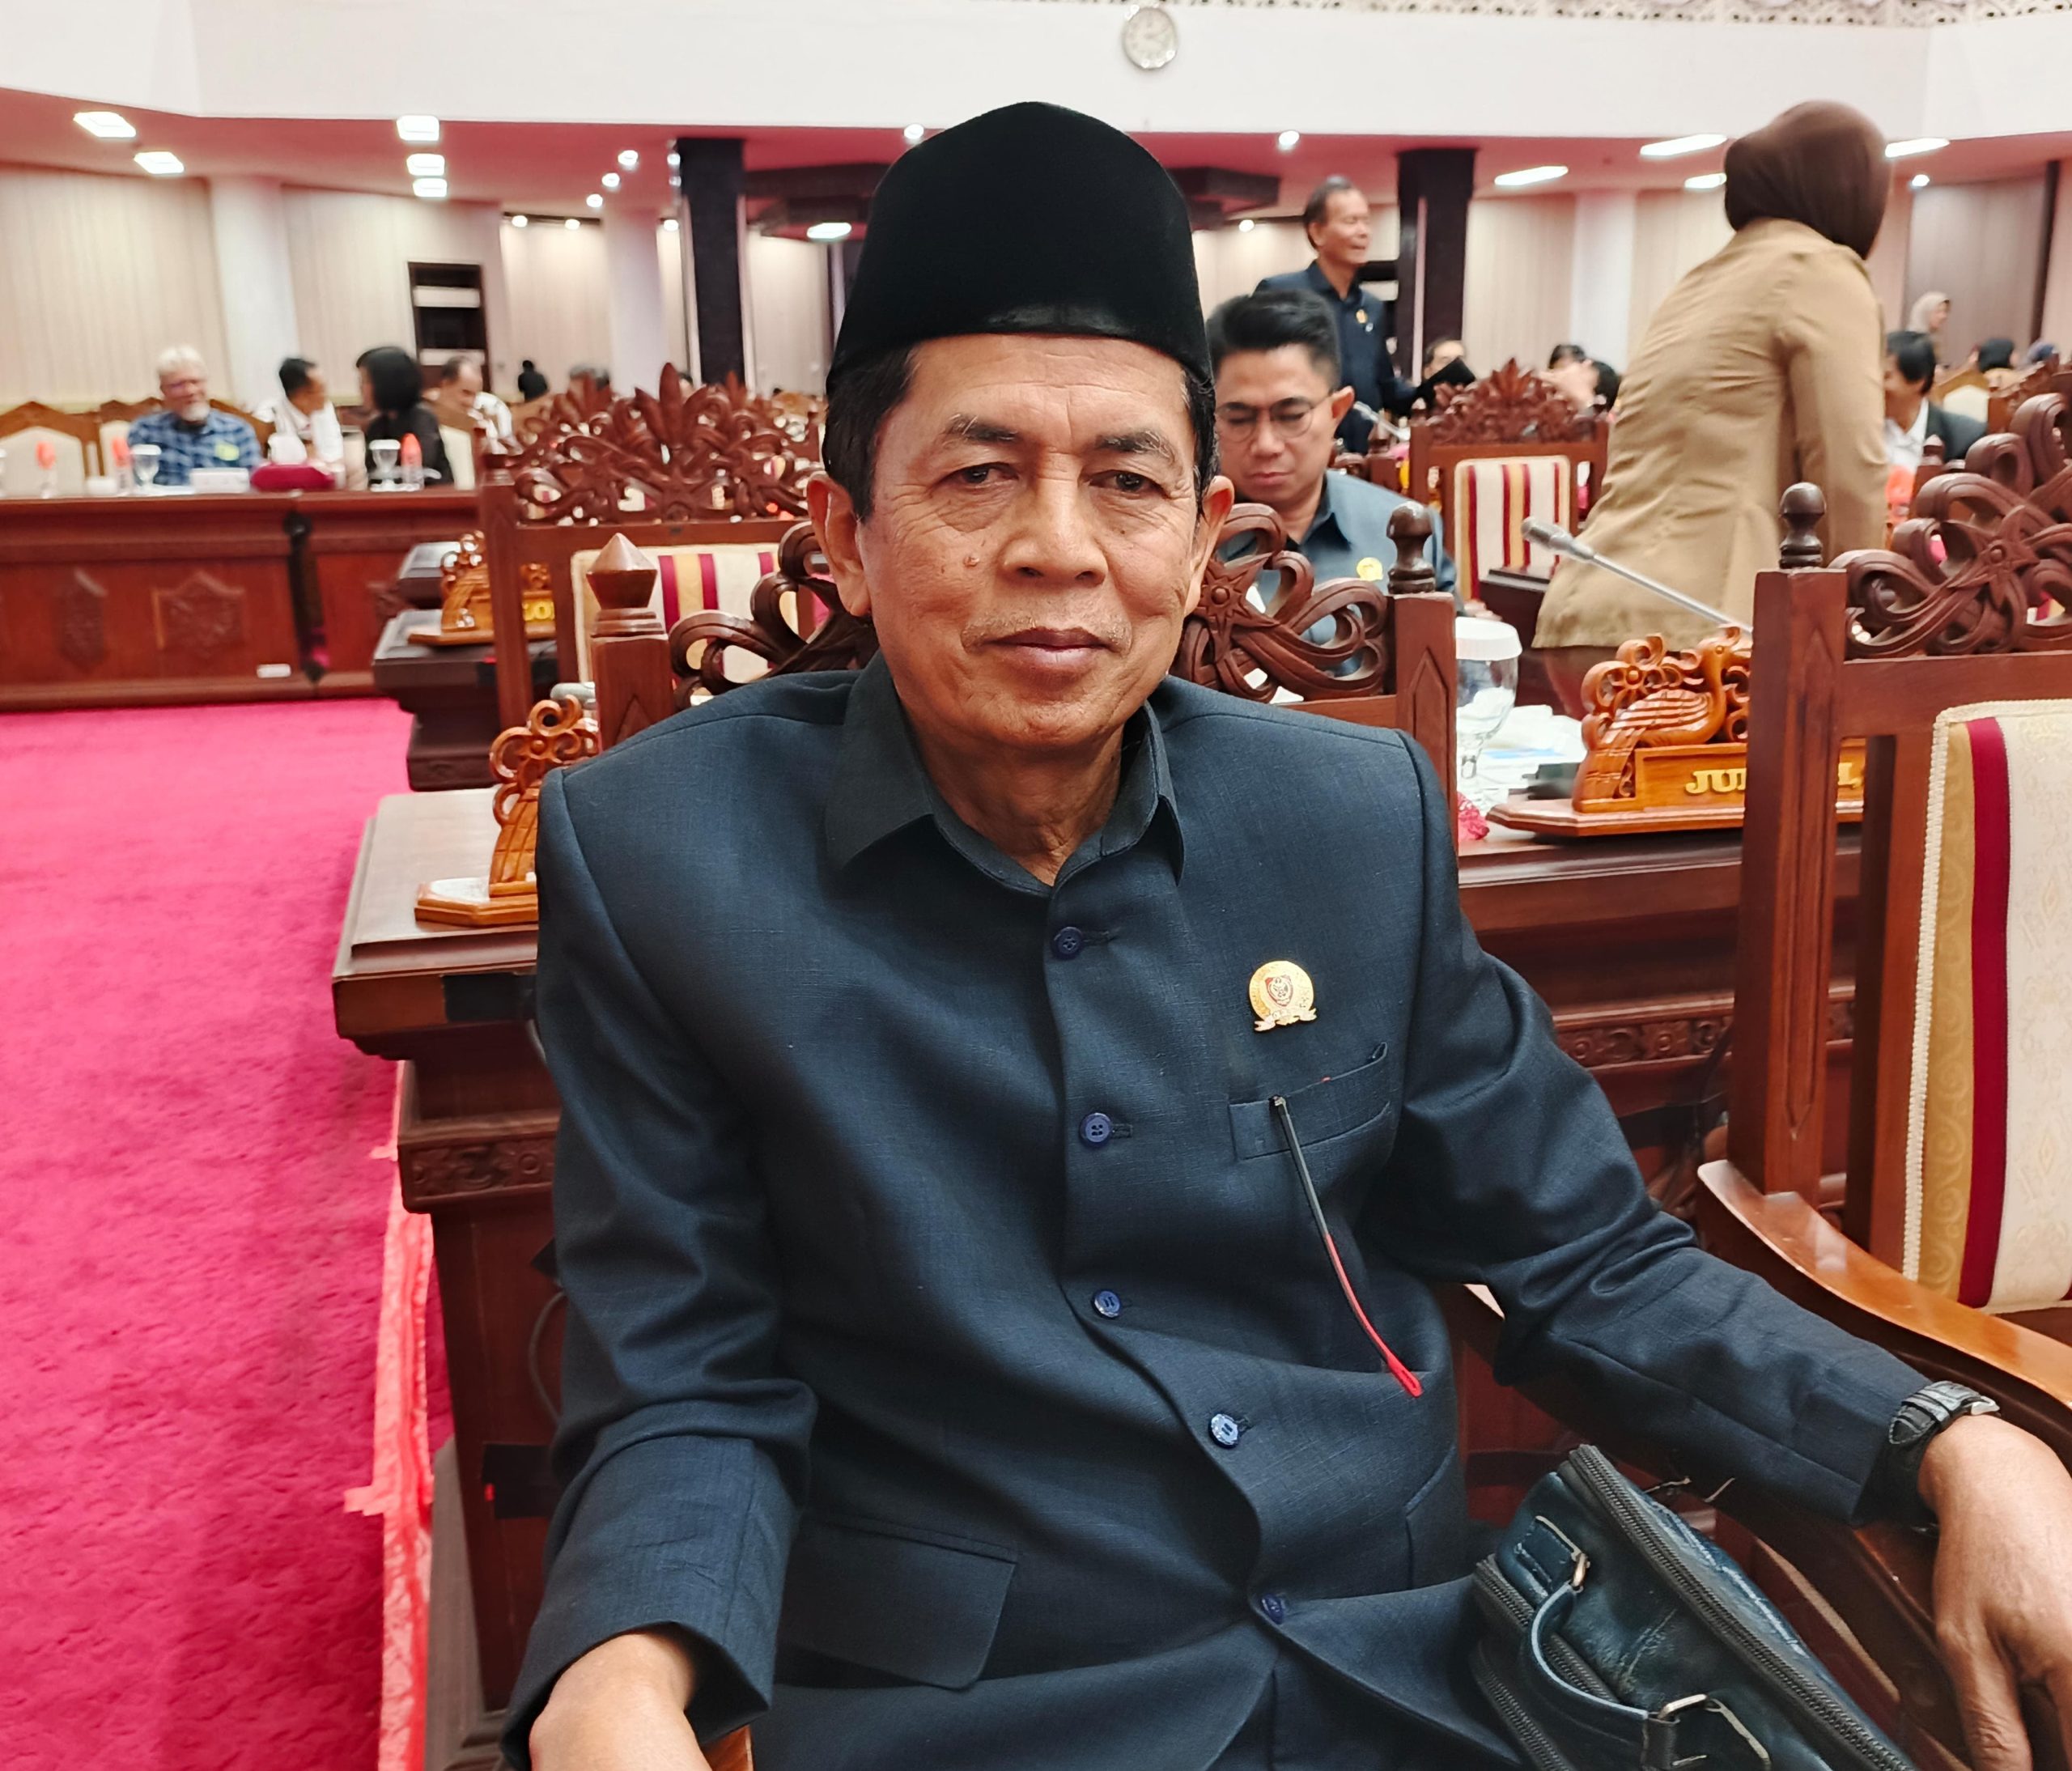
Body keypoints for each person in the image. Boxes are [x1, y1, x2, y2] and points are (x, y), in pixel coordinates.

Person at [512, 101, 2072, 1771]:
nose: (1058, 547)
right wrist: (621, 1668)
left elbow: (1582, 1258)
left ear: (1198, 538)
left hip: (1402, 1674)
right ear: (847, 529)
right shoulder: (664, 860)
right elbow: (683, 1376)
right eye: (977, 474)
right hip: (980, 1708)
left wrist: (1947, 1438)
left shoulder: (1345, 819)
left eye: (1126, 482)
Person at [1534, 102, 1891, 713]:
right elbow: (1848, 471)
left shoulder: (1699, 280)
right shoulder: (1822, 269)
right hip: (1700, 633)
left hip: (1586, 611)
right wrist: (1866, 622)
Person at [1208, 288, 1455, 606]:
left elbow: (1452, 637)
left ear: (1336, 411)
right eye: (1239, 419)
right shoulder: (1184, 541)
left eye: (1292, 416)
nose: (1266, 445)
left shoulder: (1406, 532)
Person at [1257, 176, 1416, 453]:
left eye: (1366, 221)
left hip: (1362, 456)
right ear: (1317, 232)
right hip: (1297, 452)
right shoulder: (1281, 294)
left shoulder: (1372, 307)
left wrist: (1433, 392)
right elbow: (1257, 378)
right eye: (1351, 221)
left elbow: (1385, 386)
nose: (1363, 231)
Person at [125, 346, 260, 487]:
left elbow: (254, 486)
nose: (190, 391)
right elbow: (136, 487)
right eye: (178, 385)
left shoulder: (237, 431)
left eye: (195, 382)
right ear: (163, 391)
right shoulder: (145, 431)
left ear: (206, 383)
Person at [1885, 329, 1984, 469]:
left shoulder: (1965, 439)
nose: (1875, 384)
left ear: (1918, 381)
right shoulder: (1860, 430)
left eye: (1886, 376)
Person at [357, 346, 453, 486]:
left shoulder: (423, 418)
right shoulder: (377, 426)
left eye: (366, 382)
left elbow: (422, 468)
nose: (360, 388)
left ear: (387, 383)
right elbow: (373, 475)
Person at [251, 356, 345, 477]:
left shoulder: (325, 409)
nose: (326, 395)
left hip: (325, 479)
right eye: (321, 389)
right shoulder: (268, 417)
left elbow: (335, 453)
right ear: (301, 395)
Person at [439, 355, 515, 444]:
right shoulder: (428, 418)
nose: (471, 402)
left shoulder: (493, 408)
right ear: (446, 385)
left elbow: (507, 445)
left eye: (475, 394)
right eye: (466, 393)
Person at [1909, 290, 1952, 363]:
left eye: (1945, 311)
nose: (1944, 316)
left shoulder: (1935, 339)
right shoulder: (1911, 342)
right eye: (1938, 311)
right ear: (1925, 313)